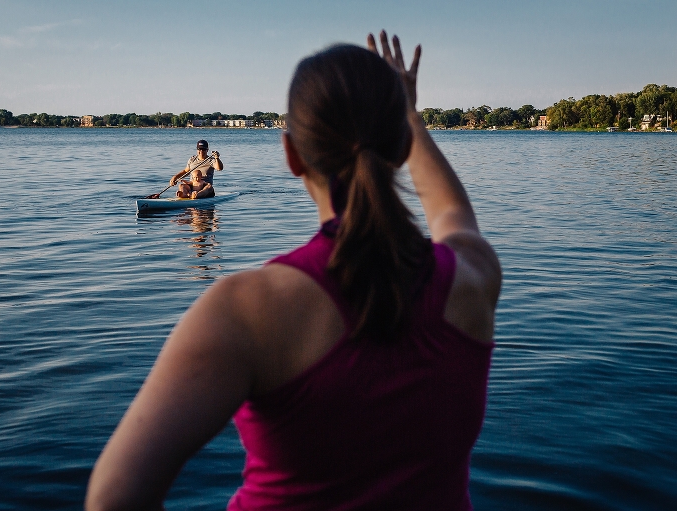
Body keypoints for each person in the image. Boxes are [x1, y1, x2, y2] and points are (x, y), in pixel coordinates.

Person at [86, 31, 501, 511]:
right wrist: (408, 115)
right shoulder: (471, 278)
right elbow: (453, 218)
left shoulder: (242, 308)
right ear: (402, 143)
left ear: (292, 155)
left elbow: (112, 498)